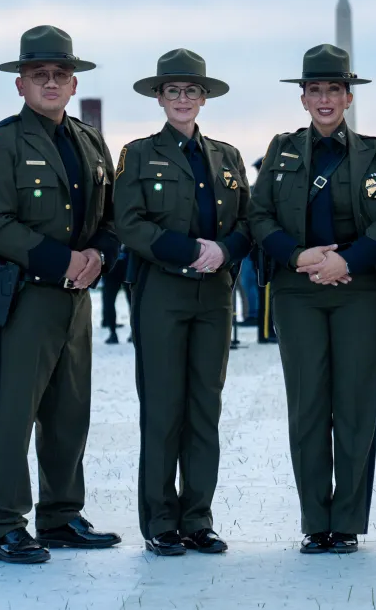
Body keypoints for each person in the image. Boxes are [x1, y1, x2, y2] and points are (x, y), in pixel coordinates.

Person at [0, 25, 123, 564]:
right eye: (39, 75)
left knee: (69, 411)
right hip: (26, 295)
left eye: (59, 74)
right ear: (20, 84)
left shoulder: (89, 141)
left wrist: (99, 255)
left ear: (74, 82)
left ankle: (60, 514)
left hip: (75, 297)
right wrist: (67, 260)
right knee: (15, 413)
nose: (50, 83)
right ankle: (6, 523)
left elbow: (110, 218)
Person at [248, 44, 376, 555]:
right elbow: (258, 216)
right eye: (314, 90)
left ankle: (348, 521)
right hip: (298, 291)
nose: (324, 99)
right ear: (302, 97)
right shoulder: (281, 150)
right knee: (309, 406)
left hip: (359, 289)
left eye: (333, 90)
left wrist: (349, 260)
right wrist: (298, 257)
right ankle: (316, 519)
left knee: (357, 406)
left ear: (347, 96)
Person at [114, 49, 249, 557]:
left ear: (204, 97)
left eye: (192, 90)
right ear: (159, 97)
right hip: (163, 291)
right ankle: (160, 521)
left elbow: (247, 224)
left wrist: (224, 250)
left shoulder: (228, 156)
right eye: (173, 90)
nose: (183, 98)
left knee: (203, 408)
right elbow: (129, 223)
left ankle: (198, 518)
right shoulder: (138, 154)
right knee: (163, 406)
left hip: (214, 294)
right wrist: (190, 250)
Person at [99, 243, 129, 344]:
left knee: (109, 302)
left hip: (112, 269)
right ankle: (132, 333)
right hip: (125, 268)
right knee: (132, 302)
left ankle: (113, 333)